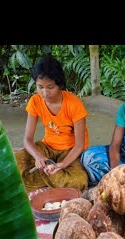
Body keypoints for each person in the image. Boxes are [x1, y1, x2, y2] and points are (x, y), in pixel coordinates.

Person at [15, 54, 89, 193]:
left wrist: (62, 165)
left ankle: (45, 176)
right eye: (40, 87)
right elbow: (27, 139)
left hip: (70, 151)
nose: (44, 92)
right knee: (12, 164)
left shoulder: (74, 104)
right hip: (47, 147)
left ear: (59, 84)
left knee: (79, 181)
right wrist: (39, 157)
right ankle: (52, 176)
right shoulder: (35, 101)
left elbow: (79, 145)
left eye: (50, 87)